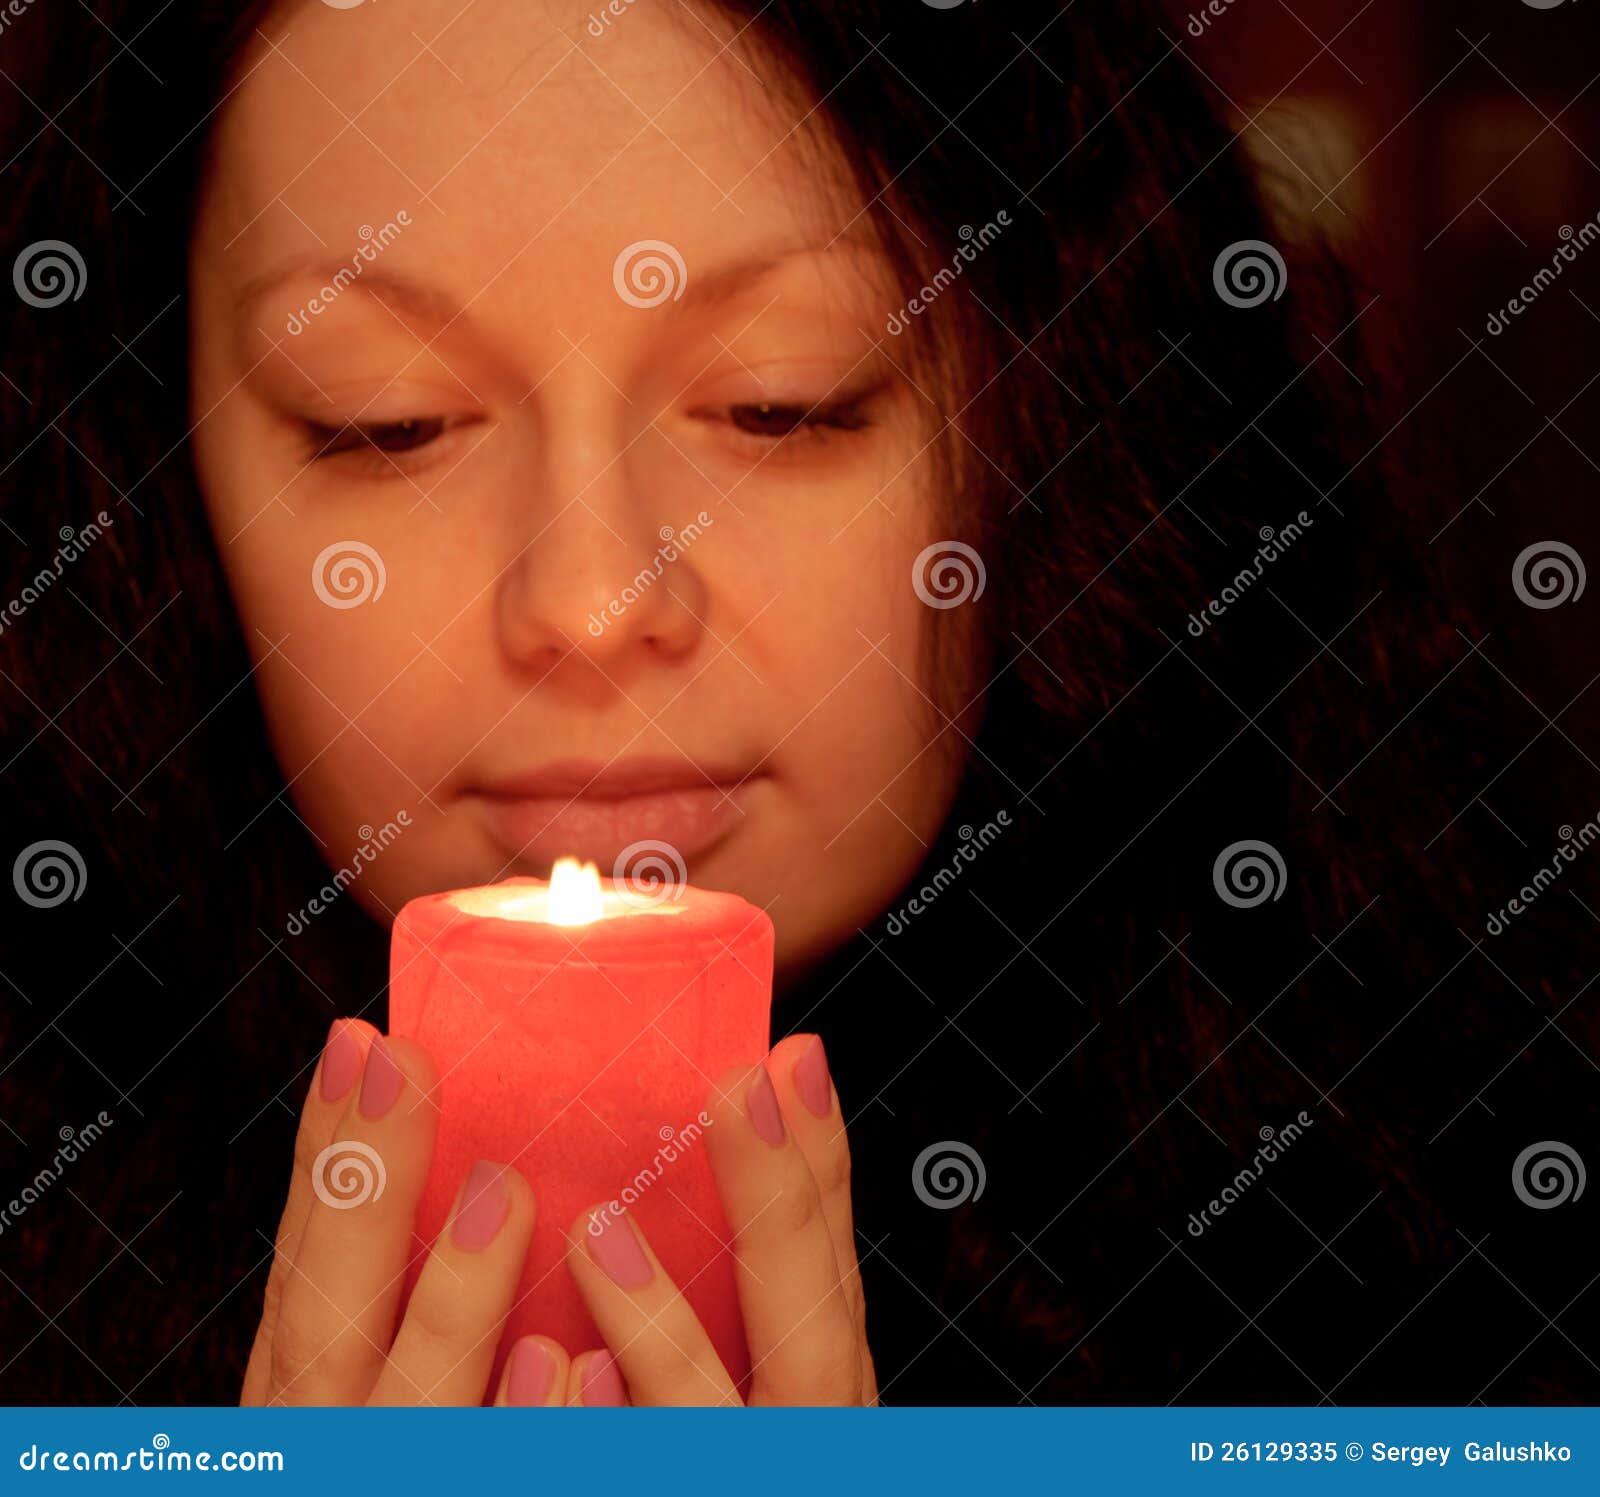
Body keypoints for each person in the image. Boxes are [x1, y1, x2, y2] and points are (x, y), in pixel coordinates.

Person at [2, 0, 1593, 1406]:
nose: (594, 600)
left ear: (1063, 406)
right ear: (157, 479)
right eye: (385, 422)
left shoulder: (1455, 1254)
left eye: (786, 397)